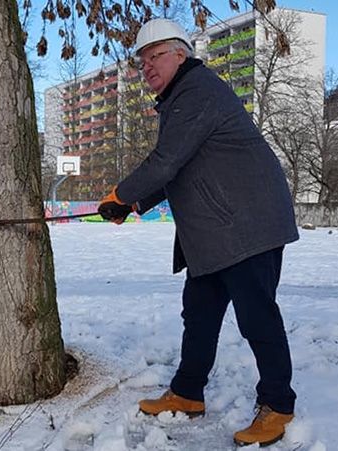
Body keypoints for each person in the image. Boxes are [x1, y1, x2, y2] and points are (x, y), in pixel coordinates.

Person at [98, 19, 299, 447]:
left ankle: (278, 404)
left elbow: (167, 161)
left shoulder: (197, 90)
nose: (147, 67)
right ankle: (188, 392)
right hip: (216, 232)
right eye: (142, 61)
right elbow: (182, 168)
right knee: (200, 314)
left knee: (257, 316)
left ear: (181, 55)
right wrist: (135, 203)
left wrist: (121, 193)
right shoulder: (180, 100)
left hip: (247, 225)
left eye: (155, 56)